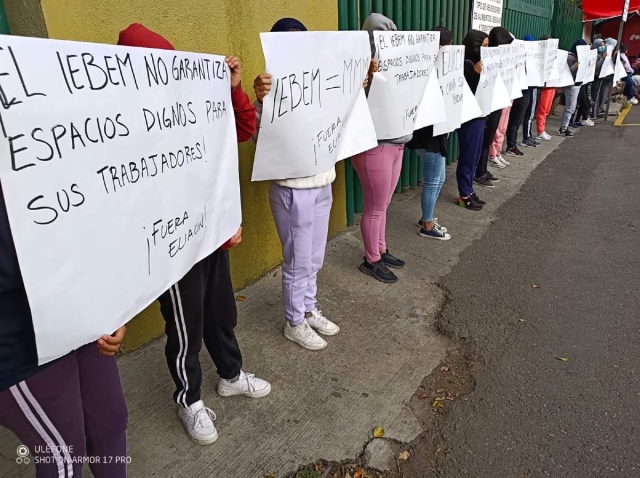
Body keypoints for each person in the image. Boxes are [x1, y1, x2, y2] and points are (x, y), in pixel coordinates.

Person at [117, 23, 271, 446]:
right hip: (171, 246)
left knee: (221, 311)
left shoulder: (190, 106)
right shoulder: (123, 123)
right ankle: (189, 399)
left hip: (209, 234)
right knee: (186, 325)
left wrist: (234, 88)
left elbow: (240, 131)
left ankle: (231, 374)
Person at [0, 184, 129, 477]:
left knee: (110, 421)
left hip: (77, 312)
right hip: (15, 341)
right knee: (62, 455)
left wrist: (113, 302)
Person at [252, 18, 340, 351]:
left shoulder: (321, 80)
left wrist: (357, 84)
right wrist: (261, 101)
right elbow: (260, 139)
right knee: (298, 259)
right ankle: (294, 321)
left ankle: (307, 307)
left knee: (314, 257)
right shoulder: (269, 87)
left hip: (322, 180)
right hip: (293, 187)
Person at [352, 13, 408, 284]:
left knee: (383, 205)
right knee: (375, 207)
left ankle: (381, 249)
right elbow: (348, 102)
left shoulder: (397, 59)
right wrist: (366, 77)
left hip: (396, 142)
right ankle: (371, 259)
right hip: (374, 145)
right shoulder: (358, 65)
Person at [406, 26, 453, 241]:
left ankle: (428, 216)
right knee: (433, 180)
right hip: (430, 136)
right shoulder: (431, 68)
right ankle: (427, 224)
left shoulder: (421, 64)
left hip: (431, 134)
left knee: (439, 178)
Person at [456, 29, 489, 211]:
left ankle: (469, 189)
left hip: (480, 115)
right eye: (483, 46)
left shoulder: (479, 62)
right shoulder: (465, 64)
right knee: (468, 156)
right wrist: (475, 74)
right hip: (469, 117)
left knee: (475, 155)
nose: (486, 49)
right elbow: (464, 91)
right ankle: (464, 194)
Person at [480, 27, 515, 178]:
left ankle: (483, 168)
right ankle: (480, 170)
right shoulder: (486, 57)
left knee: (492, 134)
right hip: (488, 103)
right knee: (485, 138)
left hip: (499, 100)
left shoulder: (502, 56)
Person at [560, 39, 586, 137]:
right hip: (572, 86)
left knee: (572, 107)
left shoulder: (579, 56)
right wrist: (575, 66)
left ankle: (564, 126)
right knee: (570, 108)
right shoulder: (570, 57)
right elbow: (567, 73)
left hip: (577, 84)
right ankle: (563, 128)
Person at [535, 34, 558, 141]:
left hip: (551, 84)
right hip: (545, 86)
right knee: (542, 109)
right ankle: (540, 130)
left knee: (547, 109)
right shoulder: (539, 55)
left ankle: (542, 129)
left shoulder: (553, 55)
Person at [521, 35, 541, 149]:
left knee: (530, 113)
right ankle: (526, 137)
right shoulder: (523, 56)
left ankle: (528, 135)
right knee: (529, 114)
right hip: (528, 88)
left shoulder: (534, 56)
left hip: (532, 87)